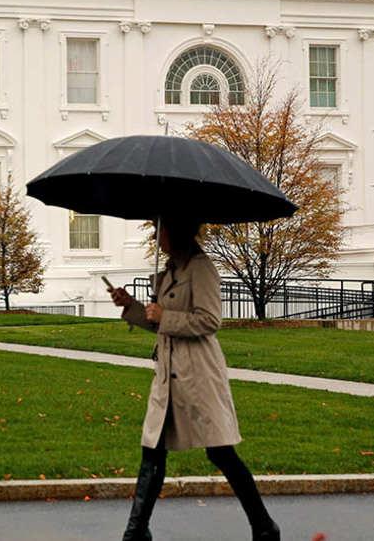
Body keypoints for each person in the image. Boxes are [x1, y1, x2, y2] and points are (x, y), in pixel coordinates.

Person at [108, 217, 279, 541]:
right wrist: (132, 306)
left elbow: (210, 320)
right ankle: (136, 533)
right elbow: (158, 324)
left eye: (161, 231)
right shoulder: (171, 272)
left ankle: (264, 527)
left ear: (176, 232)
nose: (157, 239)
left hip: (197, 375)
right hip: (167, 377)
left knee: (220, 452)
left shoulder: (201, 269)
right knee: (152, 450)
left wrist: (165, 316)